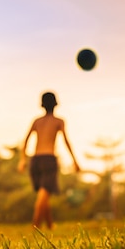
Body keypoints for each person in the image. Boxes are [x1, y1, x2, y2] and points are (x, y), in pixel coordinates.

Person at [18, 92, 81, 229]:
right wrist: (75, 161)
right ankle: (35, 225)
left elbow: (25, 141)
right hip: (48, 158)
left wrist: (22, 160)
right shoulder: (59, 121)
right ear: (55, 104)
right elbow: (66, 141)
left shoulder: (37, 121)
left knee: (43, 192)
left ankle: (50, 225)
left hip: (35, 159)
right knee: (45, 192)